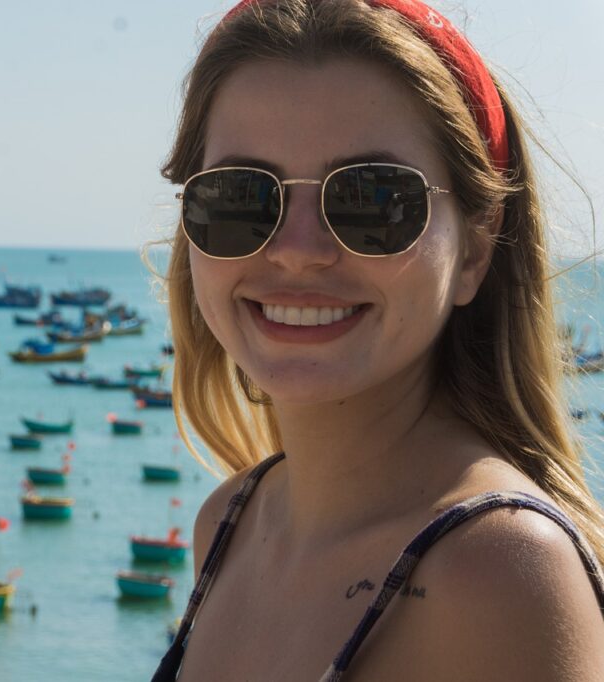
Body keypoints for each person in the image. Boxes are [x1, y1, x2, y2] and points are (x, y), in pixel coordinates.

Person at [153, 0, 604, 679]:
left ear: (477, 249)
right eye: (242, 196)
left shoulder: (500, 571)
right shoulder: (229, 524)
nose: (298, 251)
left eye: (371, 200)